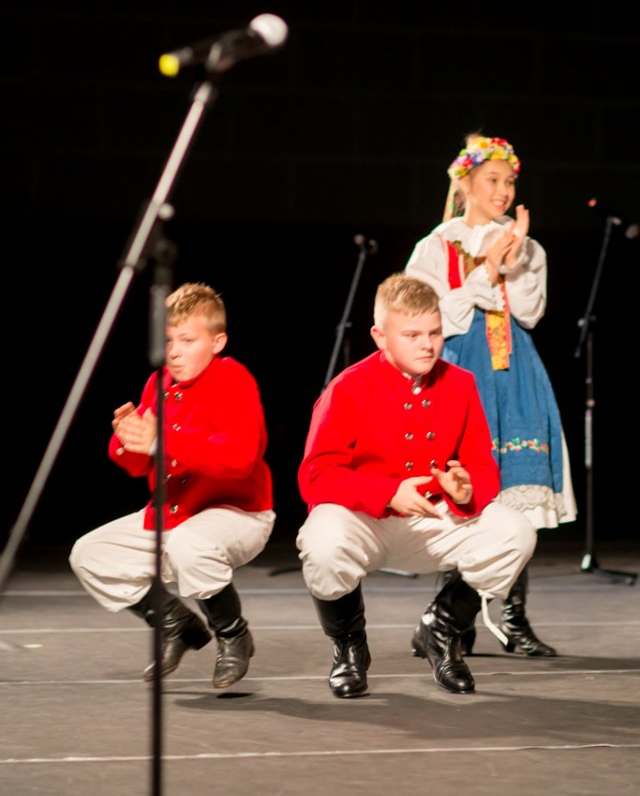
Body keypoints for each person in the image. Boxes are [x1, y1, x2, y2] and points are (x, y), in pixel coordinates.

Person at [296, 273, 536, 699]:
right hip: (366, 521)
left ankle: (440, 630)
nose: (427, 344)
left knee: (515, 532)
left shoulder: (460, 384)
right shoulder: (348, 387)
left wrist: (466, 490)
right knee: (321, 540)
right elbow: (315, 475)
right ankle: (350, 647)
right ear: (380, 336)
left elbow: (482, 465)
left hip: (433, 519)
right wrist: (385, 492)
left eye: (434, 333)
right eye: (411, 335)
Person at [405, 133, 577, 657]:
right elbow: (433, 316)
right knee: (465, 495)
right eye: (493, 181)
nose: (503, 191)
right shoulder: (437, 245)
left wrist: (515, 259)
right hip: (460, 373)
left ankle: (514, 618)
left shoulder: (528, 247)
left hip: (515, 374)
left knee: (518, 499)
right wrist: (488, 269)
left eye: (509, 182)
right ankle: (451, 621)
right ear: (466, 184)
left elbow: (528, 313)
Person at [70, 282, 275, 688]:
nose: (174, 350)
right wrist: (128, 438)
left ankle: (233, 634)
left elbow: (238, 458)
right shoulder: (158, 383)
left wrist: (160, 441)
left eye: (187, 339)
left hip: (238, 514)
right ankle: (177, 625)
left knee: (189, 546)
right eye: (168, 339)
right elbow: (133, 461)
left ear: (217, 342)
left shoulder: (234, 379)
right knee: (90, 554)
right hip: (178, 513)